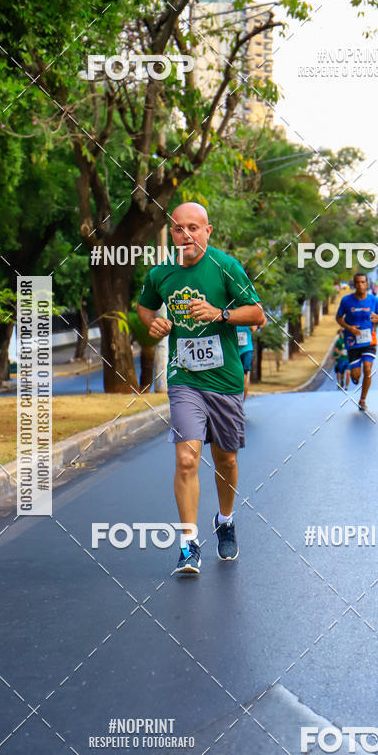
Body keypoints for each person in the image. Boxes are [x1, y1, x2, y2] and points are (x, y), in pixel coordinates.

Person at [137, 202, 265, 575]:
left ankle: (225, 519)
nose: (186, 235)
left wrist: (220, 313)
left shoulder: (226, 267)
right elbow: (145, 308)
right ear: (172, 233)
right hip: (185, 379)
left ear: (207, 231)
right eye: (179, 229)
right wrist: (154, 322)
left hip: (225, 380)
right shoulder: (161, 273)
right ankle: (188, 545)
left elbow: (257, 314)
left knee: (226, 460)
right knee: (186, 458)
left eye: (194, 228)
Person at [336, 271, 378, 412]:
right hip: (352, 341)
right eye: (357, 282)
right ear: (354, 284)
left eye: (363, 282)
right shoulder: (346, 301)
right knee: (356, 376)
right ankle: (355, 376)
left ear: (367, 284)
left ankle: (362, 400)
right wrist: (349, 328)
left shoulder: (374, 300)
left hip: (369, 341)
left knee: (368, 369)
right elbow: (338, 318)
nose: (360, 285)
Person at [237, 317, 266, 398]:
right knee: (238, 378)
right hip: (235, 351)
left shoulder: (247, 318)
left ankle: (243, 401)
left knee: (244, 377)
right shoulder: (232, 318)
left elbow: (263, 320)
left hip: (246, 350)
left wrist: (257, 326)